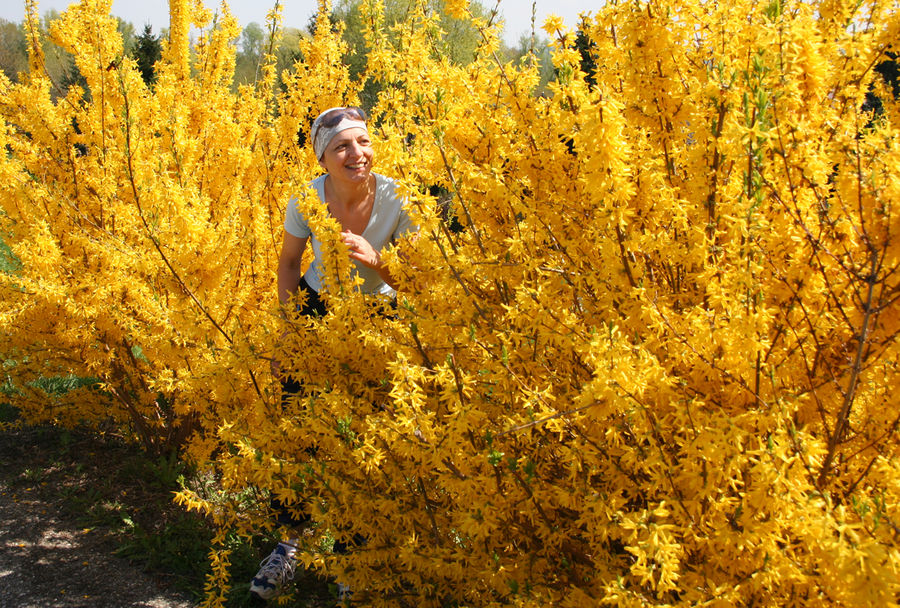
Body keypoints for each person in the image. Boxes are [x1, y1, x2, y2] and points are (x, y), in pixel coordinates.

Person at [249, 106, 417, 601]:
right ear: (323, 157)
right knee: (297, 421)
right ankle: (288, 545)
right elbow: (288, 263)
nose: (356, 154)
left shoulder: (396, 197)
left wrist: (378, 261)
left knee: (366, 427)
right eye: (342, 146)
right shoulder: (306, 198)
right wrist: (288, 332)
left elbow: (422, 284)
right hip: (317, 305)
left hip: (377, 314)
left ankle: (353, 553)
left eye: (362, 142)